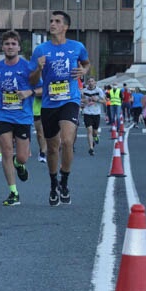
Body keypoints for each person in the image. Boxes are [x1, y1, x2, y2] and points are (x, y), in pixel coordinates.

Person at [29, 11, 90, 206]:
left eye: (57, 21)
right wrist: (38, 69)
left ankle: (65, 180)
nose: (52, 24)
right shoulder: (40, 50)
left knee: (67, 141)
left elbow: (86, 62)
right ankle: (53, 182)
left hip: (69, 100)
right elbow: (31, 81)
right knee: (53, 148)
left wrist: (84, 71)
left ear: (65, 27)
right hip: (49, 103)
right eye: (51, 21)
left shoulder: (77, 47)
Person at [0, 30, 38, 206]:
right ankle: (13, 192)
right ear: (2, 47)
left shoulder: (28, 67)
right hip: (2, 114)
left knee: (22, 156)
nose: (10, 47)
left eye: (13, 44)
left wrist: (29, 92)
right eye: (7, 44)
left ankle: (19, 163)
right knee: (6, 151)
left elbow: (42, 88)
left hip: (23, 116)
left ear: (19, 47)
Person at [81, 77, 104, 156]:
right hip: (87, 113)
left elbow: (105, 101)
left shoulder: (99, 90)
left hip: (96, 113)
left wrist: (97, 100)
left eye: (92, 81)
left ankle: (96, 137)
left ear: (95, 83)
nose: (90, 82)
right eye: (89, 81)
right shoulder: (84, 91)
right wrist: (84, 101)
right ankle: (91, 148)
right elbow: (80, 100)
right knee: (89, 130)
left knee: (94, 132)